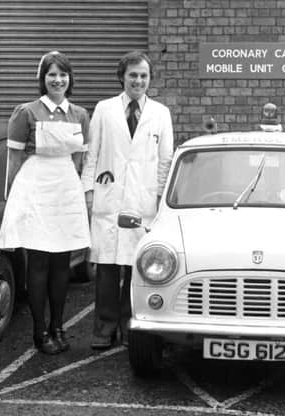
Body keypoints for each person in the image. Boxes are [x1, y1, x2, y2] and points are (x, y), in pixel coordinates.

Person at [0, 51, 90, 354]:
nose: (57, 80)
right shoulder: (25, 112)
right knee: (38, 263)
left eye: (63, 74)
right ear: (42, 79)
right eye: (51, 74)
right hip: (35, 188)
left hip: (64, 188)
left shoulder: (80, 115)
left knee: (62, 264)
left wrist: (77, 192)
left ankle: (58, 326)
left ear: (70, 79)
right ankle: (39, 332)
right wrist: (14, 202)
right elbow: (14, 159)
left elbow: (80, 159)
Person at [81, 50, 174, 349]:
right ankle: (104, 328)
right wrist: (89, 191)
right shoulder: (104, 109)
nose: (138, 80)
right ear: (122, 77)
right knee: (107, 266)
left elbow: (165, 160)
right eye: (133, 75)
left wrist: (160, 198)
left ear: (150, 79)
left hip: (143, 200)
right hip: (109, 197)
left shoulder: (161, 113)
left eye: (144, 75)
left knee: (136, 266)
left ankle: (128, 324)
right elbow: (92, 154)